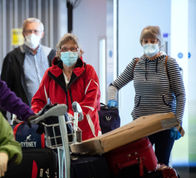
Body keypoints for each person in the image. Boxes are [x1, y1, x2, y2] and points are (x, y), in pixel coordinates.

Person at [107, 25, 186, 166]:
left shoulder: (170, 63)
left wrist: (177, 122)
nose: (149, 44)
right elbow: (114, 85)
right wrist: (112, 100)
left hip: (165, 124)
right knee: (142, 166)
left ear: (159, 42)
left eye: (153, 40)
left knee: (162, 166)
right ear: (141, 43)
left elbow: (181, 94)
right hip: (141, 123)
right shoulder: (136, 64)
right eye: (146, 41)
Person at [31, 33, 101, 141]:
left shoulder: (89, 71)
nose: (69, 52)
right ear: (58, 53)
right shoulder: (50, 74)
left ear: (79, 52)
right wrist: (37, 115)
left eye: (73, 48)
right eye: (64, 49)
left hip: (86, 134)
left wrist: (70, 116)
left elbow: (91, 102)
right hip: (59, 133)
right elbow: (38, 100)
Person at [0, 17, 56, 108]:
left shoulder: (51, 55)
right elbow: (4, 90)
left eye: (36, 31)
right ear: (23, 34)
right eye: (29, 31)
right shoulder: (13, 58)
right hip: (25, 114)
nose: (32, 34)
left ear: (42, 34)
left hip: (50, 113)